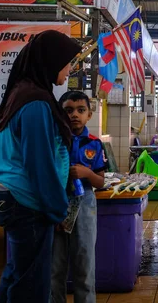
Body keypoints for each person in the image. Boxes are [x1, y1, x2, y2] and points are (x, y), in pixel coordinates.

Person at [0, 30, 81, 303]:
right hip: (26, 201)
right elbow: (40, 164)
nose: (70, 69)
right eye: (67, 62)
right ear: (51, 61)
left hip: (13, 196)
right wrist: (57, 209)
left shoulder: (22, 93)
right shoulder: (35, 103)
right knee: (32, 286)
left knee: (18, 274)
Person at [51, 91, 107, 303]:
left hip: (84, 204)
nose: (75, 115)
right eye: (68, 110)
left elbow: (100, 182)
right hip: (57, 202)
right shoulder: (54, 141)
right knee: (55, 264)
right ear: (60, 113)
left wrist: (87, 173)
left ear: (89, 115)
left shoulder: (94, 143)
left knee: (84, 261)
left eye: (81, 110)